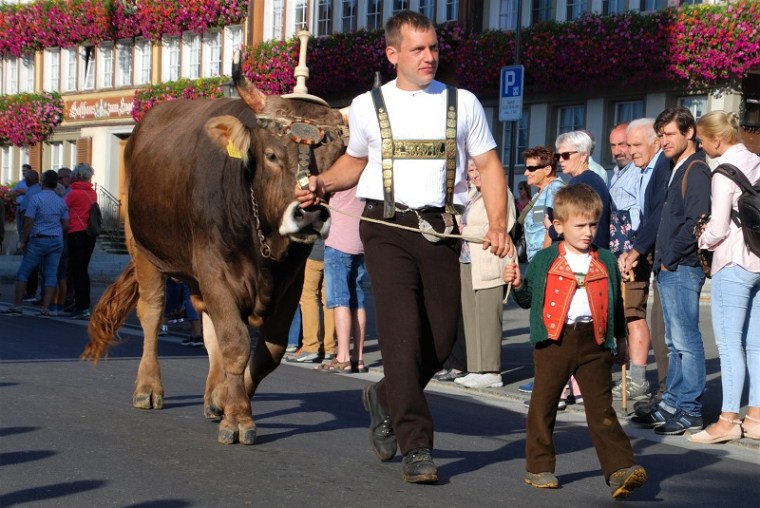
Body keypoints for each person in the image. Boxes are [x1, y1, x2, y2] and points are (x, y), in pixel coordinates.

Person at [295, 10, 511, 484]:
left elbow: (490, 167)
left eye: (433, 47)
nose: (429, 56)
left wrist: (498, 223)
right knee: (398, 333)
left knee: (440, 336)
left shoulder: (464, 103)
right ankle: (417, 445)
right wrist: (322, 184)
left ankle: (385, 397)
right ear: (393, 54)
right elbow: (355, 163)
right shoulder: (368, 105)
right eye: (418, 49)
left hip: (439, 230)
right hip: (385, 226)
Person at [503, 183, 646, 499]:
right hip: (554, 341)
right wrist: (515, 283)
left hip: (594, 343)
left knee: (602, 409)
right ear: (559, 225)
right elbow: (527, 300)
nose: (588, 231)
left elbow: (615, 305)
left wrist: (619, 339)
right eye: (580, 225)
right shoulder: (545, 260)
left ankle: (620, 469)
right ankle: (539, 467)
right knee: (544, 405)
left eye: (593, 224)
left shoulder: (606, 259)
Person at [632, 106, 711, 436]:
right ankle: (672, 403)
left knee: (686, 341)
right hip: (668, 265)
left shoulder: (696, 170)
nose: (663, 140)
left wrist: (670, 257)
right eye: (660, 135)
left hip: (682, 266)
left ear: (689, 133)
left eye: (669, 134)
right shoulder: (673, 165)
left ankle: (690, 410)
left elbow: (696, 221)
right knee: (674, 341)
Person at [689, 111, 760, 443]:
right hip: (759, 260)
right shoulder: (756, 160)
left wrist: (702, 239)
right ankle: (756, 418)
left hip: (732, 262)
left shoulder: (722, 173)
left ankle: (728, 419)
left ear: (717, 140)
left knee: (730, 344)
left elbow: (718, 228)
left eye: (702, 140)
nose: (701, 145)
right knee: (756, 345)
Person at [616, 118, 671, 406]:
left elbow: (657, 215)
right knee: (632, 310)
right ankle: (643, 383)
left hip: (653, 249)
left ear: (655, 142)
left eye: (637, 144)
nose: (630, 150)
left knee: (663, 326)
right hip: (637, 247)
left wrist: (636, 250)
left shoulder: (661, 166)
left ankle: (666, 393)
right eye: (628, 144)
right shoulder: (639, 169)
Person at [454, 160, 515, 389]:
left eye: (478, 170)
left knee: (488, 318)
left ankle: (491, 370)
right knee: (472, 317)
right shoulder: (471, 196)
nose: (474, 174)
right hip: (468, 260)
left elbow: (499, 228)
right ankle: (476, 367)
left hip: (490, 261)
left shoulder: (501, 193)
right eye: (470, 170)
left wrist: (464, 231)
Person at [3, 170, 69, 317]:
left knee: (24, 272)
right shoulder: (61, 201)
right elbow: (65, 224)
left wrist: (23, 240)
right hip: (56, 240)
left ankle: (18, 305)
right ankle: (46, 308)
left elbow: (29, 221)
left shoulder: (36, 198)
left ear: (43, 182)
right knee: (51, 274)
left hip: (38, 239)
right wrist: (55, 229)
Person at [317, 186, 368, 373]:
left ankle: (343, 356)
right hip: (360, 241)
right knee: (358, 300)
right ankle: (358, 358)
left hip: (338, 241)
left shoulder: (341, 171)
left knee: (340, 300)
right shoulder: (366, 168)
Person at [552, 131, 611, 249]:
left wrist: (550, 227)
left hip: (588, 252)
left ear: (584, 156)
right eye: (558, 156)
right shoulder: (592, 178)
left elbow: (572, 223)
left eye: (566, 155)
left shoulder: (580, 183)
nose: (561, 160)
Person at [288, 238, 337, 363]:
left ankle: (311, 346)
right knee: (328, 300)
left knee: (308, 297)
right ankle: (329, 347)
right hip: (333, 250)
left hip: (313, 252)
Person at [65, 163, 98, 320]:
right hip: (90, 234)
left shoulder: (73, 193)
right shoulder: (92, 193)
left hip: (76, 232)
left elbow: (62, 208)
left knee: (77, 270)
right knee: (83, 270)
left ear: (77, 175)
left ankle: (81, 307)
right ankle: (84, 304)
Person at [521, 146, 565, 263]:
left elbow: (551, 228)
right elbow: (539, 223)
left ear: (547, 170)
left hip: (545, 261)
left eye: (531, 168)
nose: (526, 173)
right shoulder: (540, 192)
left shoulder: (555, 189)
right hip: (535, 259)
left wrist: (543, 263)